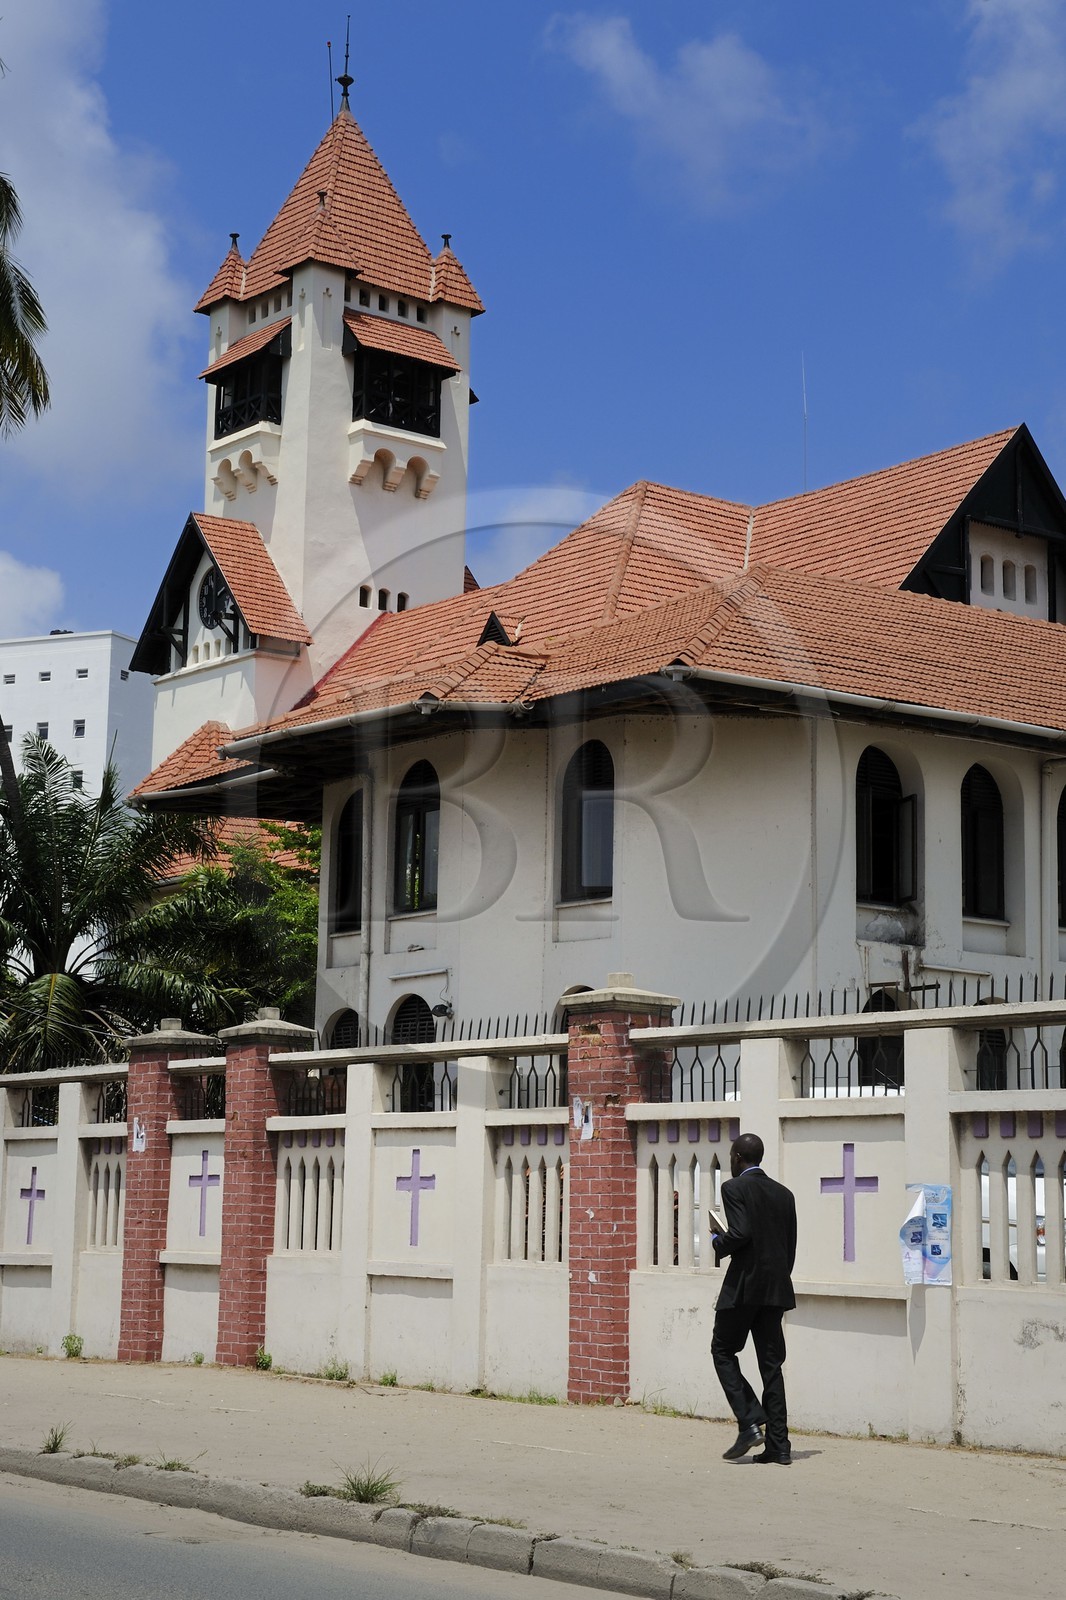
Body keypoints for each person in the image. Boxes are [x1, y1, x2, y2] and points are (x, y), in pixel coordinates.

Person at [710, 1131, 797, 1465]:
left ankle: (748, 1422)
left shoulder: (733, 1188)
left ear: (737, 1157)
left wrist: (718, 1241)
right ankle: (779, 1446)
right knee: (771, 1367)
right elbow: (789, 1247)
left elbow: (741, 1232)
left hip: (744, 1288)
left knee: (722, 1350)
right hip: (775, 1290)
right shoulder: (784, 1194)